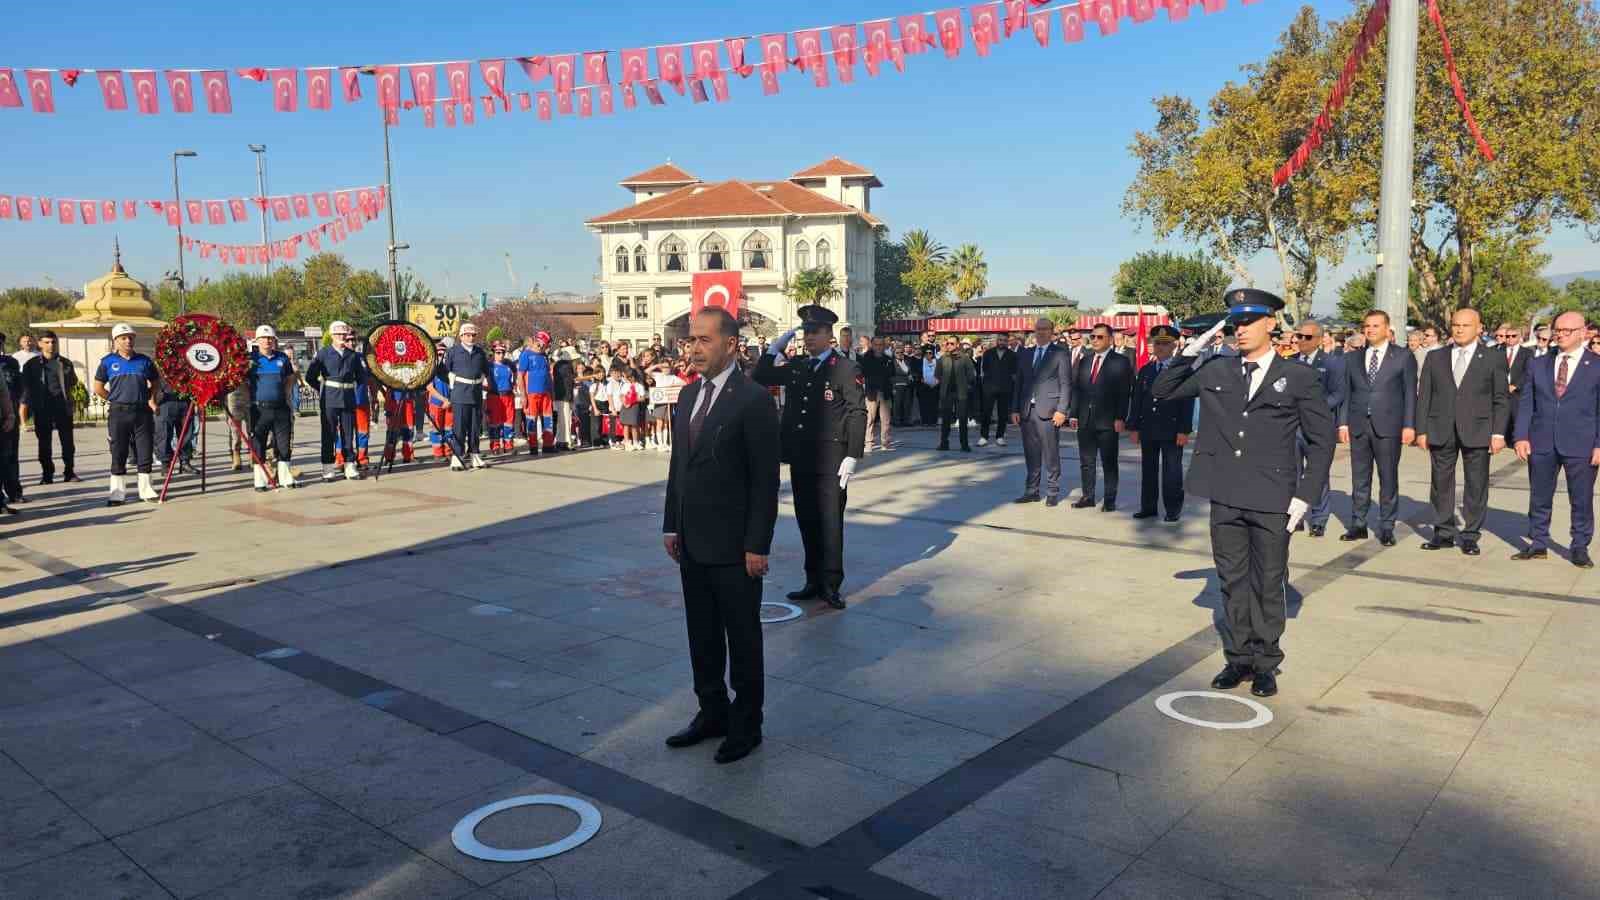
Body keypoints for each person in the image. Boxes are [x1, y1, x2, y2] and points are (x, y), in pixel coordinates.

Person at [1153, 289, 1335, 698]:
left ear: (1271, 324)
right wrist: (1191, 348)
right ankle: (1237, 659)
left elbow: (1322, 442)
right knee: (1233, 580)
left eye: (1249, 322)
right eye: (1236, 323)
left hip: (1274, 496)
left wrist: (1306, 495)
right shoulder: (1217, 370)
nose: (1241, 329)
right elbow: (1163, 389)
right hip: (1227, 492)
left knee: (1269, 581)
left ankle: (1266, 661)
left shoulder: (1300, 377)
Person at [662, 308, 781, 766]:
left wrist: (757, 544)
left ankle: (747, 723)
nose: (692, 348)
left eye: (703, 340)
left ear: (731, 344)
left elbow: (764, 481)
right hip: (692, 540)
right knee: (703, 635)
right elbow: (679, 468)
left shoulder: (753, 400)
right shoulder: (688, 396)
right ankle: (711, 712)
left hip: (735, 547)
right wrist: (671, 524)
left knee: (743, 638)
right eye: (690, 340)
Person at [752, 304, 866, 610]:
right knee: (807, 520)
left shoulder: (845, 369)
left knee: (830, 522)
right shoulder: (800, 365)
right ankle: (812, 579)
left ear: (829, 334)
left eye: (815, 332)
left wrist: (853, 454)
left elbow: (857, 412)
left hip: (831, 460)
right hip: (802, 457)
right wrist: (775, 347)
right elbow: (761, 375)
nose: (809, 337)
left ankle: (830, 583)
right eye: (805, 332)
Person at [1415, 308, 1509, 556]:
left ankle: (1470, 535)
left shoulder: (1492, 358)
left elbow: (1500, 398)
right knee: (1440, 483)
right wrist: (1421, 429)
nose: (1459, 329)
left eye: (1465, 325)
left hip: (1478, 430)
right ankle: (1443, 532)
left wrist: (1498, 433)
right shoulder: (1436, 357)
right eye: (1455, 325)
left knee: (1476, 484)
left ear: (1479, 328)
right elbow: (1424, 396)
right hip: (1441, 428)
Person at [1513, 311, 1600, 567]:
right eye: (1557, 330)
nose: (1560, 335)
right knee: (1539, 495)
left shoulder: (1595, 365)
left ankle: (1580, 546)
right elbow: (1527, 402)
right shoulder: (1539, 363)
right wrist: (1521, 436)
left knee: (1581, 499)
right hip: (1541, 441)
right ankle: (1538, 542)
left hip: (1581, 443)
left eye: (1566, 331)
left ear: (1583, 333)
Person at [1339, 310, 1417, 546]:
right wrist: (1343, 422)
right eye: (1367, 326)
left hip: (1389, 426)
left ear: (1387, 329)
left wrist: (1409, 425)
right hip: (1359, 425)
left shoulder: (1403, 357)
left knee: (1388, 478)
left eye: (1375, 325)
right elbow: (1347, 393)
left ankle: (1386, 526)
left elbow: (1410, 394)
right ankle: (1359, 523)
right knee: (1360, 479)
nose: (1370, 330)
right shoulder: (1353, 358)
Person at [1128, 326, 1193, 523]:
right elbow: (1138, 399)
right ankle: (1148, 507)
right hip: (1148, 427)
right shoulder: (1146, 370)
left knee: (1172, 471)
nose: (1161, 347)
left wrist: (1184, 429)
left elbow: (1187, 401)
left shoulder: (1182, 370)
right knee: (1148, 470)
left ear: (1174, 345)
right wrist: (1134, 427)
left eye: (1165, 343)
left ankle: (1172, 509)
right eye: (1157, 343)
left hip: (1172, 428)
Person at [93, 323, 162, 505]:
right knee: (119, 452)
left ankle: (146, 490)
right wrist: (115, 399)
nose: (128, 341)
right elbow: (98, 388)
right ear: (115, 340)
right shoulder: (107, 362)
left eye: (130, 337)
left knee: (145, 450)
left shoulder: (144, 361)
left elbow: (155, 381)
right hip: (119, 413)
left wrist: (150, 397)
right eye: (123, 338)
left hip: (142, 412)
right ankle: (117, 493)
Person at [1070, 323, 1135, 511]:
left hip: (1108, 420)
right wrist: (1073, 414)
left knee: (1109, 462)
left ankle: (1109, 500)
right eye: (1092, 337)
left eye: (1099, 337)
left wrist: (1120, 417)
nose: (1095, 340)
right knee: (1086, 461)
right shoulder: (1085, 361)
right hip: (1085, 419)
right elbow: (1077, 389)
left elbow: (1124, 392)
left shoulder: (1120, 361)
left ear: (1109, 339)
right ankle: (1088, 496)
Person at [1011, 318, 1073, 505]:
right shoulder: (1026, 354)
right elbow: (1019, 384)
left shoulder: (1060, 354)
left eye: (1045, 329)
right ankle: (1032, 491)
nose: (1041, 332)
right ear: (1034, 331)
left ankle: (1052, 491)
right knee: (1031, 453)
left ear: (1052, 331)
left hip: (1049, 411)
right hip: (1027, 412)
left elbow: (1065, 383)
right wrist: (1015, 408)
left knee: (1050, 452)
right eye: (1038, 329)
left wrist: (1062, 410)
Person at [1293, 322, 1345, 536]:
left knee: (1318, 474)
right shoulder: (1290, 362)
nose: (1300, 340)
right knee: (1292, 473)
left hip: (1319, 427)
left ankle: (1318, 519)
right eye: (1299, 336)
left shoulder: (1332, 363)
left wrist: (1315, 409)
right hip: (1294, 427)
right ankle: (1294, 516)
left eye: (1306, 337)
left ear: (1319, 339)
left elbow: (1338, 394)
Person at [304, 320, 368, 482]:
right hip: (330, 399)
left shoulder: (352, 355)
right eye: (338, 334)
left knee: (348, 434)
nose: (341, 337)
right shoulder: (323, 353)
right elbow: (310, 377)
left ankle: (349, 465)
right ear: (332, 336)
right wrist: (323, 389)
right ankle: (327, 467)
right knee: (328, 434)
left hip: (348, 398)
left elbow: (361, 378)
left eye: (344, 334)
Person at [18, 331, 80, 485]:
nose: (51, 345)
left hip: (62, 407)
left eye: (53, 342)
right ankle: (47, 474)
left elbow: (72, 382)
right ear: (39, 344)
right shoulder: (31, 365)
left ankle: (69, 471)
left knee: (67, 442)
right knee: (44, 443)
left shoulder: (65, 363)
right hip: (42, 407)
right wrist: (25, 410)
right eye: (47, 342)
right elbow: (26, 387)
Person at [245, 325, 299, 492]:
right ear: (258, 341)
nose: (267, 341)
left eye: (270, 338)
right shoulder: (251, 359)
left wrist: (286, 393)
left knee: (283, 444)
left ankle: (284, 477)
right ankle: (260, 480)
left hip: (280, 407)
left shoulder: (282, 358)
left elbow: (290, 377)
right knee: (258, 444)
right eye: (264, 338)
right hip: (258, 409)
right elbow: (242, 381)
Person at [441, 322, 490, 470]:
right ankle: (457, 456)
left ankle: (475, 454)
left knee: (475, 428)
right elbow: (443, 371)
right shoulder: (453, 352)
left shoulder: (480, 352)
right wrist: (453, 383)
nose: (471, 338)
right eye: (468, 335)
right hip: (460, 393)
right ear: (461, 336)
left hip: (475, 393)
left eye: (473, 335)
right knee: (460, 427)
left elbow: (485, 371)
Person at [936, 338, 977, 452]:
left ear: (957, 345)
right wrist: (944, 383)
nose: (949, 345)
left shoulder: (965, 358)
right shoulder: (943, 359)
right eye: (947, 343)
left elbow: (971, 375)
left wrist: (966, 385)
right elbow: (937, 374)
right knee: (946, 419)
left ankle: (964, 444)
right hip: (947, 393)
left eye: (951, 343)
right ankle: (944, 443)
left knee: (963, 419)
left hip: (961, 393)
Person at [978, 334, 1017, 448]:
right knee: (986, 413)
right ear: (996, 341)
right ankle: (984, 437)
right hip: (989, 388)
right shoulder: (988, 353)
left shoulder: (1012, 355)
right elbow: (984, 369)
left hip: (1005, 388)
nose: (1002, 342)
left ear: (1007, 342)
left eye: (1004, 341)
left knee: (1003, 414)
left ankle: (1000, 437)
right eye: (1000, 340)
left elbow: (1014, 372)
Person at [518, 332, 555, 454]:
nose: (541, 347)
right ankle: (533, 446)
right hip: (532, 393)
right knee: (531, 420)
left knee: (548, 419)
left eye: (544, 345)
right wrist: (523, 395)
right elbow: (520, 376)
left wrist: (551, 390)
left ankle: (548, 445)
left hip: (546, 393)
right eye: (539, 343)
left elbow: (548, 374)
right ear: (534, 341)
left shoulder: (544, 356)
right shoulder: (526, 355)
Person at [858, 336, 895, 452]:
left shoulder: (888, 359)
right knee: (870, 419)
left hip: (885, 392)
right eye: (876, 345)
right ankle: (868, 443)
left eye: (881, 345)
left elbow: (892, 373)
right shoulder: (865, 358)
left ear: (884, 346)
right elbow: (863, 374)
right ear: (872, 345)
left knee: (886, 420)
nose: (879, 347)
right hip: (871, 392)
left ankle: (886, 443)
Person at [485, 342, 517, 455]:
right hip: (494, 397)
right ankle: (495, 446)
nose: (501, 355)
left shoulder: (509, 364)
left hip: (508, 396)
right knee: (494, 423)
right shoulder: (488, 365)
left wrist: (514, 384)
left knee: (509, 422)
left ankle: (508, 446)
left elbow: (517, 373)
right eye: (498, 353)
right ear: (493, 353)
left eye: (503, 352)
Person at [914, 343, 940, 426]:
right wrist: (921, 380)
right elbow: (916, 373)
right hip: (923, 386)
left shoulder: (938, 362)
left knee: (934, 404)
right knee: (924, 404)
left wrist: (938, 381)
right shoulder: (919, 362)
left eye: (930, 353)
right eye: (926, 353)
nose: (928, 354)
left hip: (935, 386)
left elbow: (941, 373)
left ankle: (933, 421)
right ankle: (925, 421)